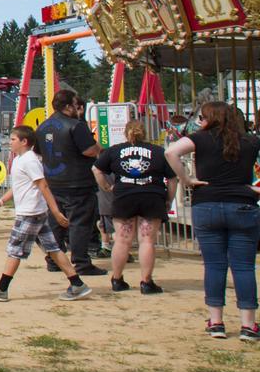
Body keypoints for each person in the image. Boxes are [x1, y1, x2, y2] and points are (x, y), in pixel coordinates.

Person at [166, 101, 260, 340]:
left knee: (214, 265)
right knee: (243, 266)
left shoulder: (200, 138)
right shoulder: (250, 141)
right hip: (242, 203)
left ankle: (216, 321)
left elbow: (170, 152)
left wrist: (186, 179)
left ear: (208, 118)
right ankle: (248, 324)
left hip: (206, 203)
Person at [0, 126, 92, 302]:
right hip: (32, 212)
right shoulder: (18, 160)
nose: (10, 142)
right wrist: (1, 202)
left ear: (24, 142)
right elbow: (17, 187)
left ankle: (1, 288)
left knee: (15, 250)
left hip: (30, 213)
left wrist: (55, 210)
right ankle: (77, 284)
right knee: (52, 248)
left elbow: (43, 185)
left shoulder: (30, 160)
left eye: (14, 139)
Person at [93, 119, 175, 294]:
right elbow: (173, 178)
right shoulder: (158, 151)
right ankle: (146, 282)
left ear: (125, 132)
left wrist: (107, 188)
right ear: (145, 133)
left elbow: (96, 169)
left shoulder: (115, 150)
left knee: (122, 240)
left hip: (124, 196)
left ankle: (117, 279)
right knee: (147, 240)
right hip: (151, 196)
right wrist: (169, 198)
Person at [38, 89, 105, 276]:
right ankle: (82, 263)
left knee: (55, 223)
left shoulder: (43, 126)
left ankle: (53, 260)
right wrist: (99, 148)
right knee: (79, 224)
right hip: (77, 182)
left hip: (53, 181)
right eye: (76, 105)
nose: (78, 109)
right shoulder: (76, 125)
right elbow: (90, 151)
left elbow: (38, 151)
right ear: (68, 106)